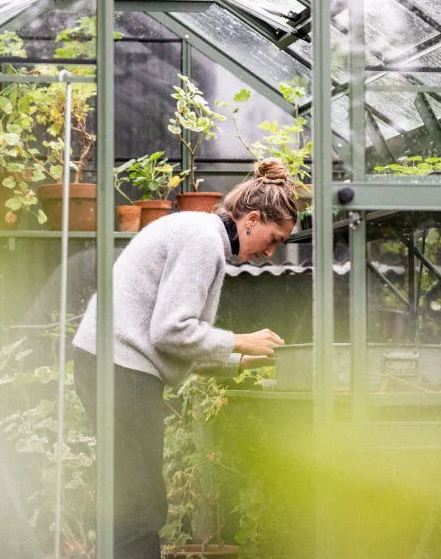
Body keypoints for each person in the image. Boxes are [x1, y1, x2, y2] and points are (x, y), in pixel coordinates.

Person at [72, 158, 298, 558]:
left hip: (109, 362)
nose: (270, 252)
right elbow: (170, 331)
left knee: (127, 495)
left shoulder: (198, 231)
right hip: (123, 369)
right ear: (251, 218)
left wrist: (240, 362)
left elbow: (170, 341)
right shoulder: (203, 240)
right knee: (139, 504)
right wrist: (241, 341)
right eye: (274, 237)